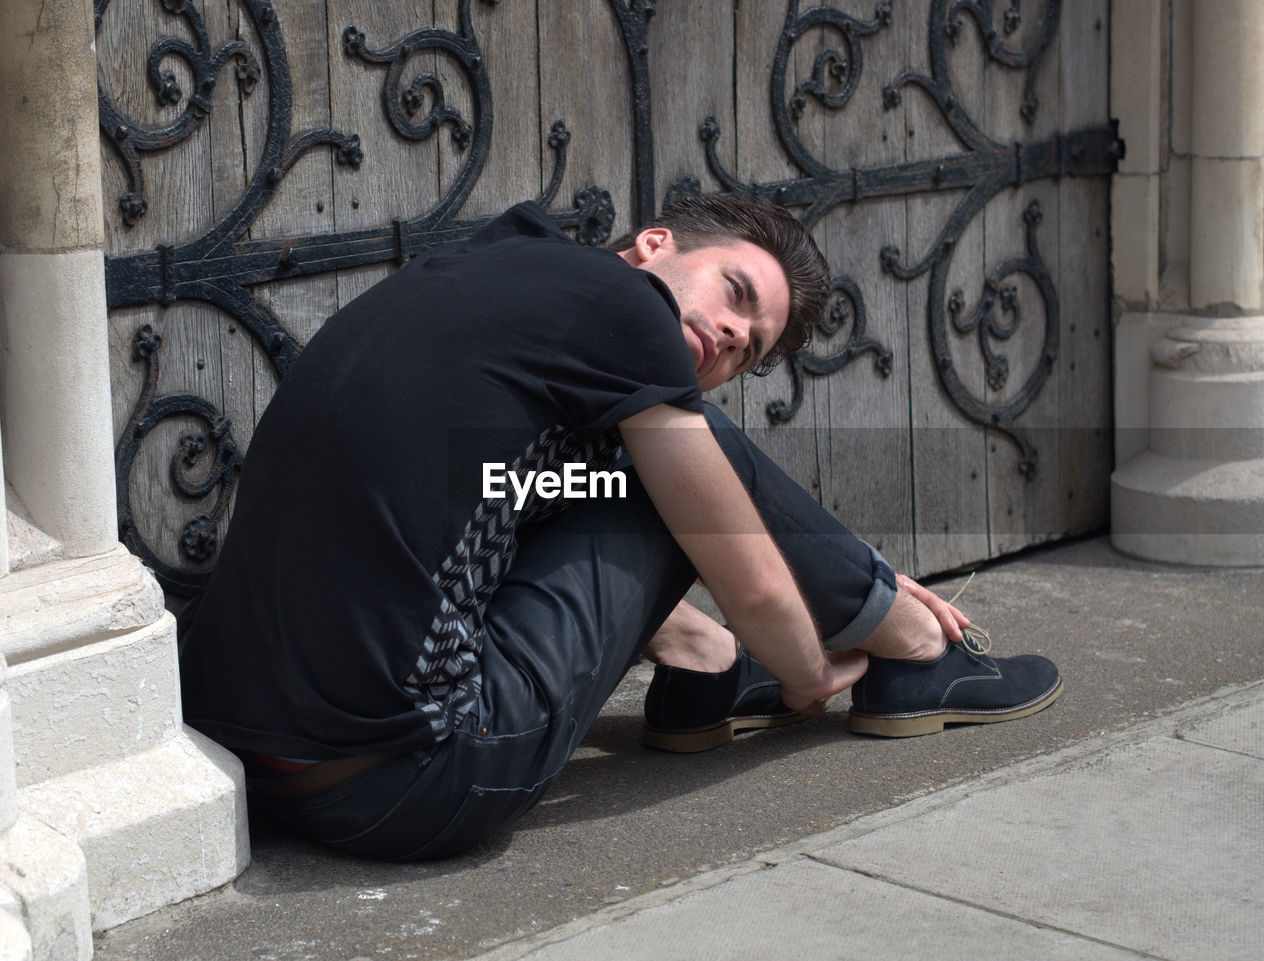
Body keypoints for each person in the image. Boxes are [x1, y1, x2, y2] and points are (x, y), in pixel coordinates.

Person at [177, 196, 1062, 861]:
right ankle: (908, 643)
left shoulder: (487, 275)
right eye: (735, 292)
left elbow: (493, 495)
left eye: (748, 347)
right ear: (653, 244)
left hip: (251, 768)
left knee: (628, 465)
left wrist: (686, 631)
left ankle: (705, 670)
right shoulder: (628, 311)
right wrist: (808, 672)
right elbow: (751, 582)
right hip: (407, 785)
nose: (727, 334)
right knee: (691, 456)